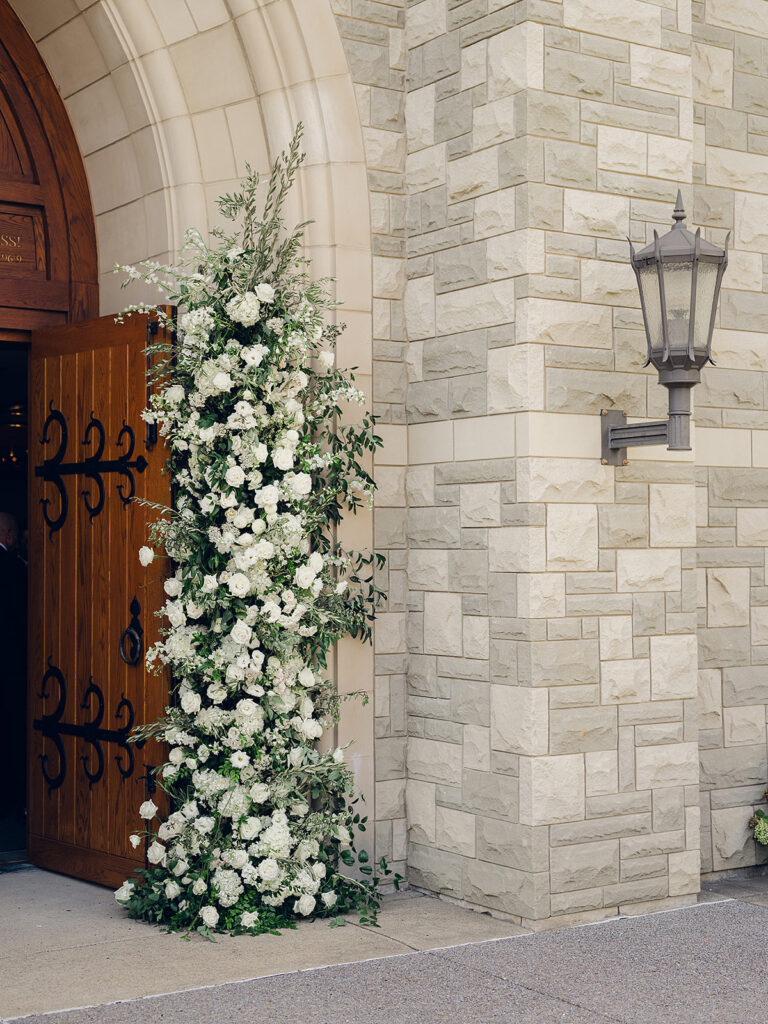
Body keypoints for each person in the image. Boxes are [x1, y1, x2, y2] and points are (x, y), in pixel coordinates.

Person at [0, 512, 27, 849]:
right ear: (7, 531)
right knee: (12, 731)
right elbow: (24, 618)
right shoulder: (13, 568)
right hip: (11, 663)